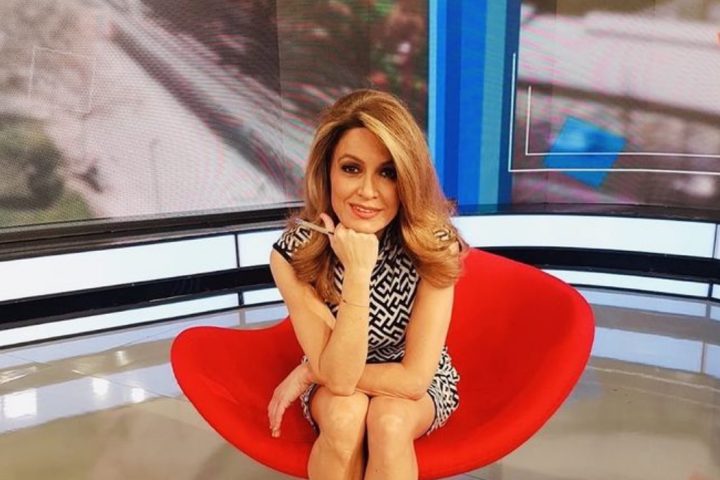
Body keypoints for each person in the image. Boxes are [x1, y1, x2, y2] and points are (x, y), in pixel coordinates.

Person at [267, 89, 468, 480]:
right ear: (327, 170)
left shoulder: (434, 244)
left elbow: (413, 380)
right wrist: (358, 273)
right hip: (335, 375)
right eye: (351, 169)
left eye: (388, 173)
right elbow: (341, 381)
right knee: (345, 415)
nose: (368, 192)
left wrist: (310, 372)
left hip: (414, 381)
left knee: (389, 421)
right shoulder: (294, 253)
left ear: (408, 179)